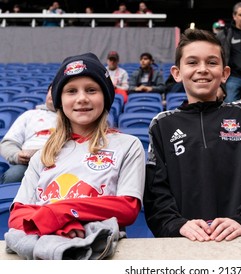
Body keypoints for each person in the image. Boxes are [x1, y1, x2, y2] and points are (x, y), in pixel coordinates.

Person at [5, 52, 145, 260]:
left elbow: (126, 208)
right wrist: (66, 223)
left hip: (101, 253)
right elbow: (17, 215)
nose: (82, 98)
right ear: (60, 100)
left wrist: (59, 212)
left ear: (105, 96)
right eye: (71, 91)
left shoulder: (128, 145)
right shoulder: (43, 154)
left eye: (91, 90)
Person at [144, 28, 241, 242]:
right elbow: (156, 193)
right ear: (177, 73)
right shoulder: (162, 125)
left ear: (225, 73)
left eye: (212, 62)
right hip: (185, 242)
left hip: (238, 238)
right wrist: (178, 226)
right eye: (192, 62)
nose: (202, 69)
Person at [0, 84, 57, 184]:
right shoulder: (29, 115)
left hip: (59, 161)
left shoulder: (72, 118)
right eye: (51, 90)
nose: (52, 94)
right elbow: (8, 143)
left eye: (57, 91)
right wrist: (17, 155)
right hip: (27, 163)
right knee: (13, 175)